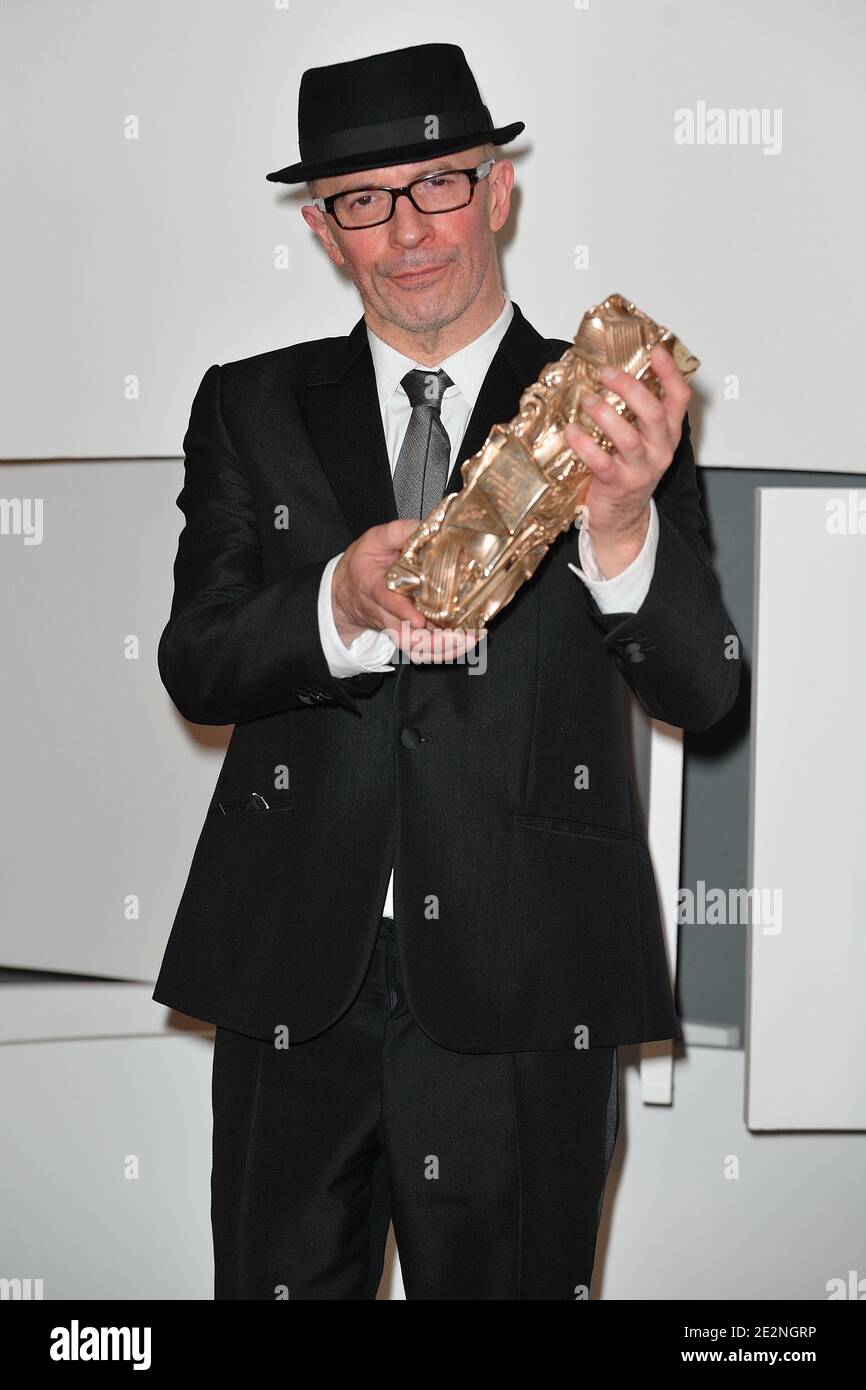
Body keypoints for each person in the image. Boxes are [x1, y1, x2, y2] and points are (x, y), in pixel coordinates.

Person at [152, 42, 742, 1300]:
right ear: (323, 232)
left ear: (497, 191)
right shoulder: (245, 408)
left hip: (529, 988)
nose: (409, 230)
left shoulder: (607, 410)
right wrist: (333, 604)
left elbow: (704, 688)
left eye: (438, 182)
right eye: (363, 200)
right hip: (292, 986)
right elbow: (197, 660)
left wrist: (625, 526)